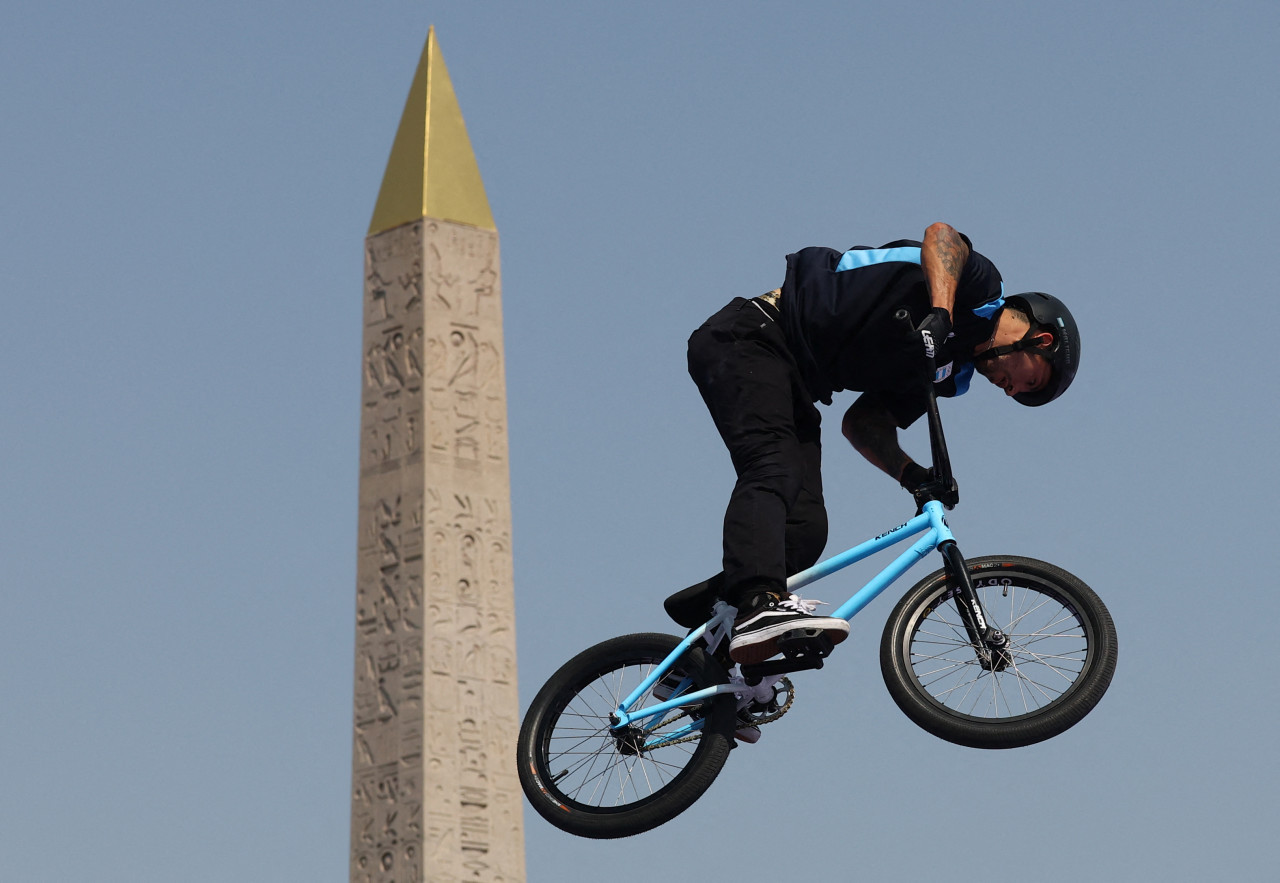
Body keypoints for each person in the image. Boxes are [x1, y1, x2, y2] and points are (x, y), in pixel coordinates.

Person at [666, 222, 1080, 667]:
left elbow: (864, 423)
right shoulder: (980, 290)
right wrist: (941, 312)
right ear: (1040, 338)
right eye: (1028, 380)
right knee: (774, 467)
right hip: (752, 335)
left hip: (795, 383)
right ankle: (756, 603)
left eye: (1018, 394)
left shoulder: (950, 373)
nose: (1012, 390)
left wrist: (912, 474)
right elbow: (942, 237)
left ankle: (698, 654)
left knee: (805, 533)